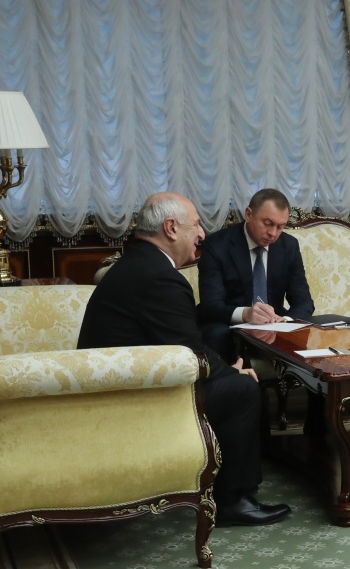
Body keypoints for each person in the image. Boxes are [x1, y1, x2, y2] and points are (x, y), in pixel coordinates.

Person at [77, 192, 292, 527]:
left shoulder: (140, 264)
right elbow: (190, 353)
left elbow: (182, 347)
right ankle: (232, 501)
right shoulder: (159, 277)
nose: (202, 234)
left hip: (119, 389)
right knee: (243, 390)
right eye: (196, 225)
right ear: (171, 228)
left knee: (233, 378)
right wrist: (232, 373)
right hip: (129, 400)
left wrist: (226, 369)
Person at [196, 188, 315, 362]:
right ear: (248, 214)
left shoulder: (288, 246)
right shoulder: (217, 245)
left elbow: (304, 301)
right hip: (229, 323)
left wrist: (285, 321)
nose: (273, 233)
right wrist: (246, 314)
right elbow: (210, 305)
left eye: (280, 227)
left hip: (273, 324)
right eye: (267, 223)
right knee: (216, 333)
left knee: (307, 329)